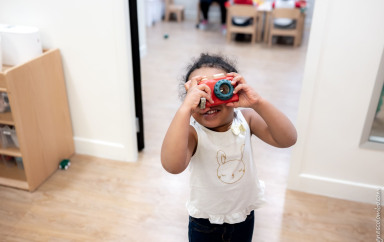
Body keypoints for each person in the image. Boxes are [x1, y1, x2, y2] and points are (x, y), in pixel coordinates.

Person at [161, 53, 297, 242]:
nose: (209, 102)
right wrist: (184, 110)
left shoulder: (247, 119)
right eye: (200, 93)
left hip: (243, 216)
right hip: (205, 222)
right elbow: (172, 165)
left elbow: (287, 139)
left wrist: (258, 103)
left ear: (233, 90)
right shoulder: (193, 134)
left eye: (219, 90)